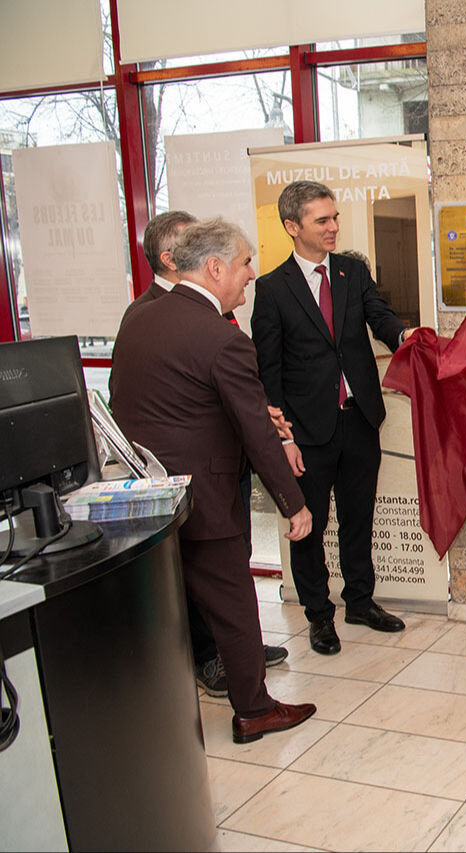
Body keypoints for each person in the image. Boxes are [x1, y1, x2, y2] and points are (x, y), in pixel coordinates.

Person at [110, 217, 317, 744]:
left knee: (173, 607)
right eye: (245, 263)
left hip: (155, 497)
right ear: (216, 267)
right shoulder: (219, 337)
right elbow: (256, 434)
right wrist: (293, 505)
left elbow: (145, 405)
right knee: (233, 608)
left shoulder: (140, 318)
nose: (251, 274)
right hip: (207, 494)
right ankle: (253, 710)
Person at [252, 180, 415, 655]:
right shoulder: (271, 289)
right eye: (322, 220)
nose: (333, 227)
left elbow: (380, 319)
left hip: (359, 418)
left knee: (359, 517)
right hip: (307, 431)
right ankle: (319, 616)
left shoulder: (350, 273)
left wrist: (407, 335)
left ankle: (360, 601)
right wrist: (284, 439)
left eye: (335, 217)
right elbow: (269, 372)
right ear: (292, 226)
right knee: (311, 526)